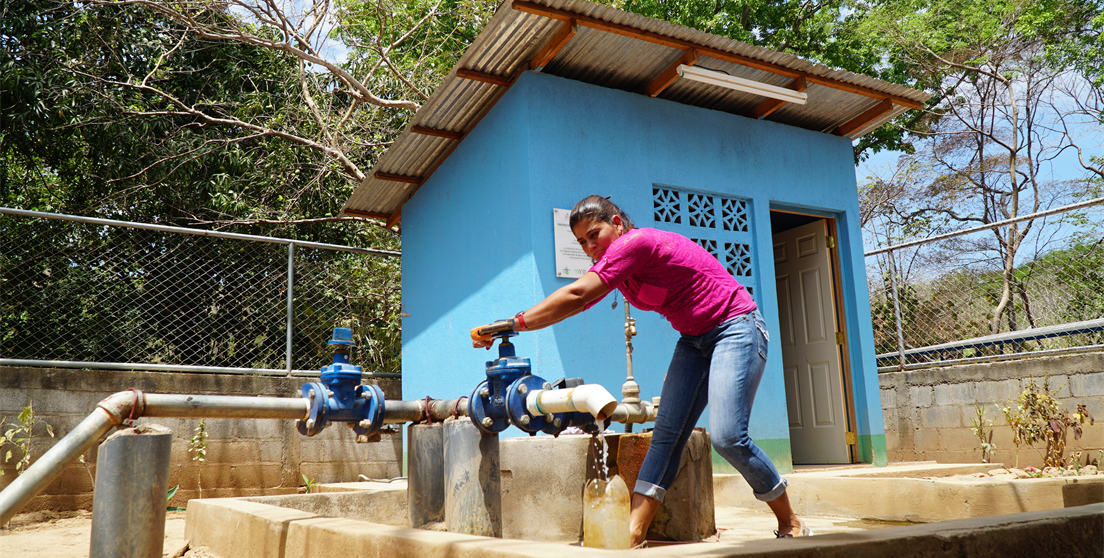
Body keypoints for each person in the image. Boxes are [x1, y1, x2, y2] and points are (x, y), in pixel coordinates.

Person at [471, 195, 809, 545]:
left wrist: (514, 323)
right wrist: (512, 326)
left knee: (728, 437)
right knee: (665, 437)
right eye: (582, 242)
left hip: (736, 327)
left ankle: (790, 521)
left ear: (617, 223)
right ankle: (634, 532)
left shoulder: (636, 243)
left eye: (594, 234)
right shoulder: (619, 269)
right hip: (694, 342)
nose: (589, 247)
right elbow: (577, 304)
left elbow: (577, 295)